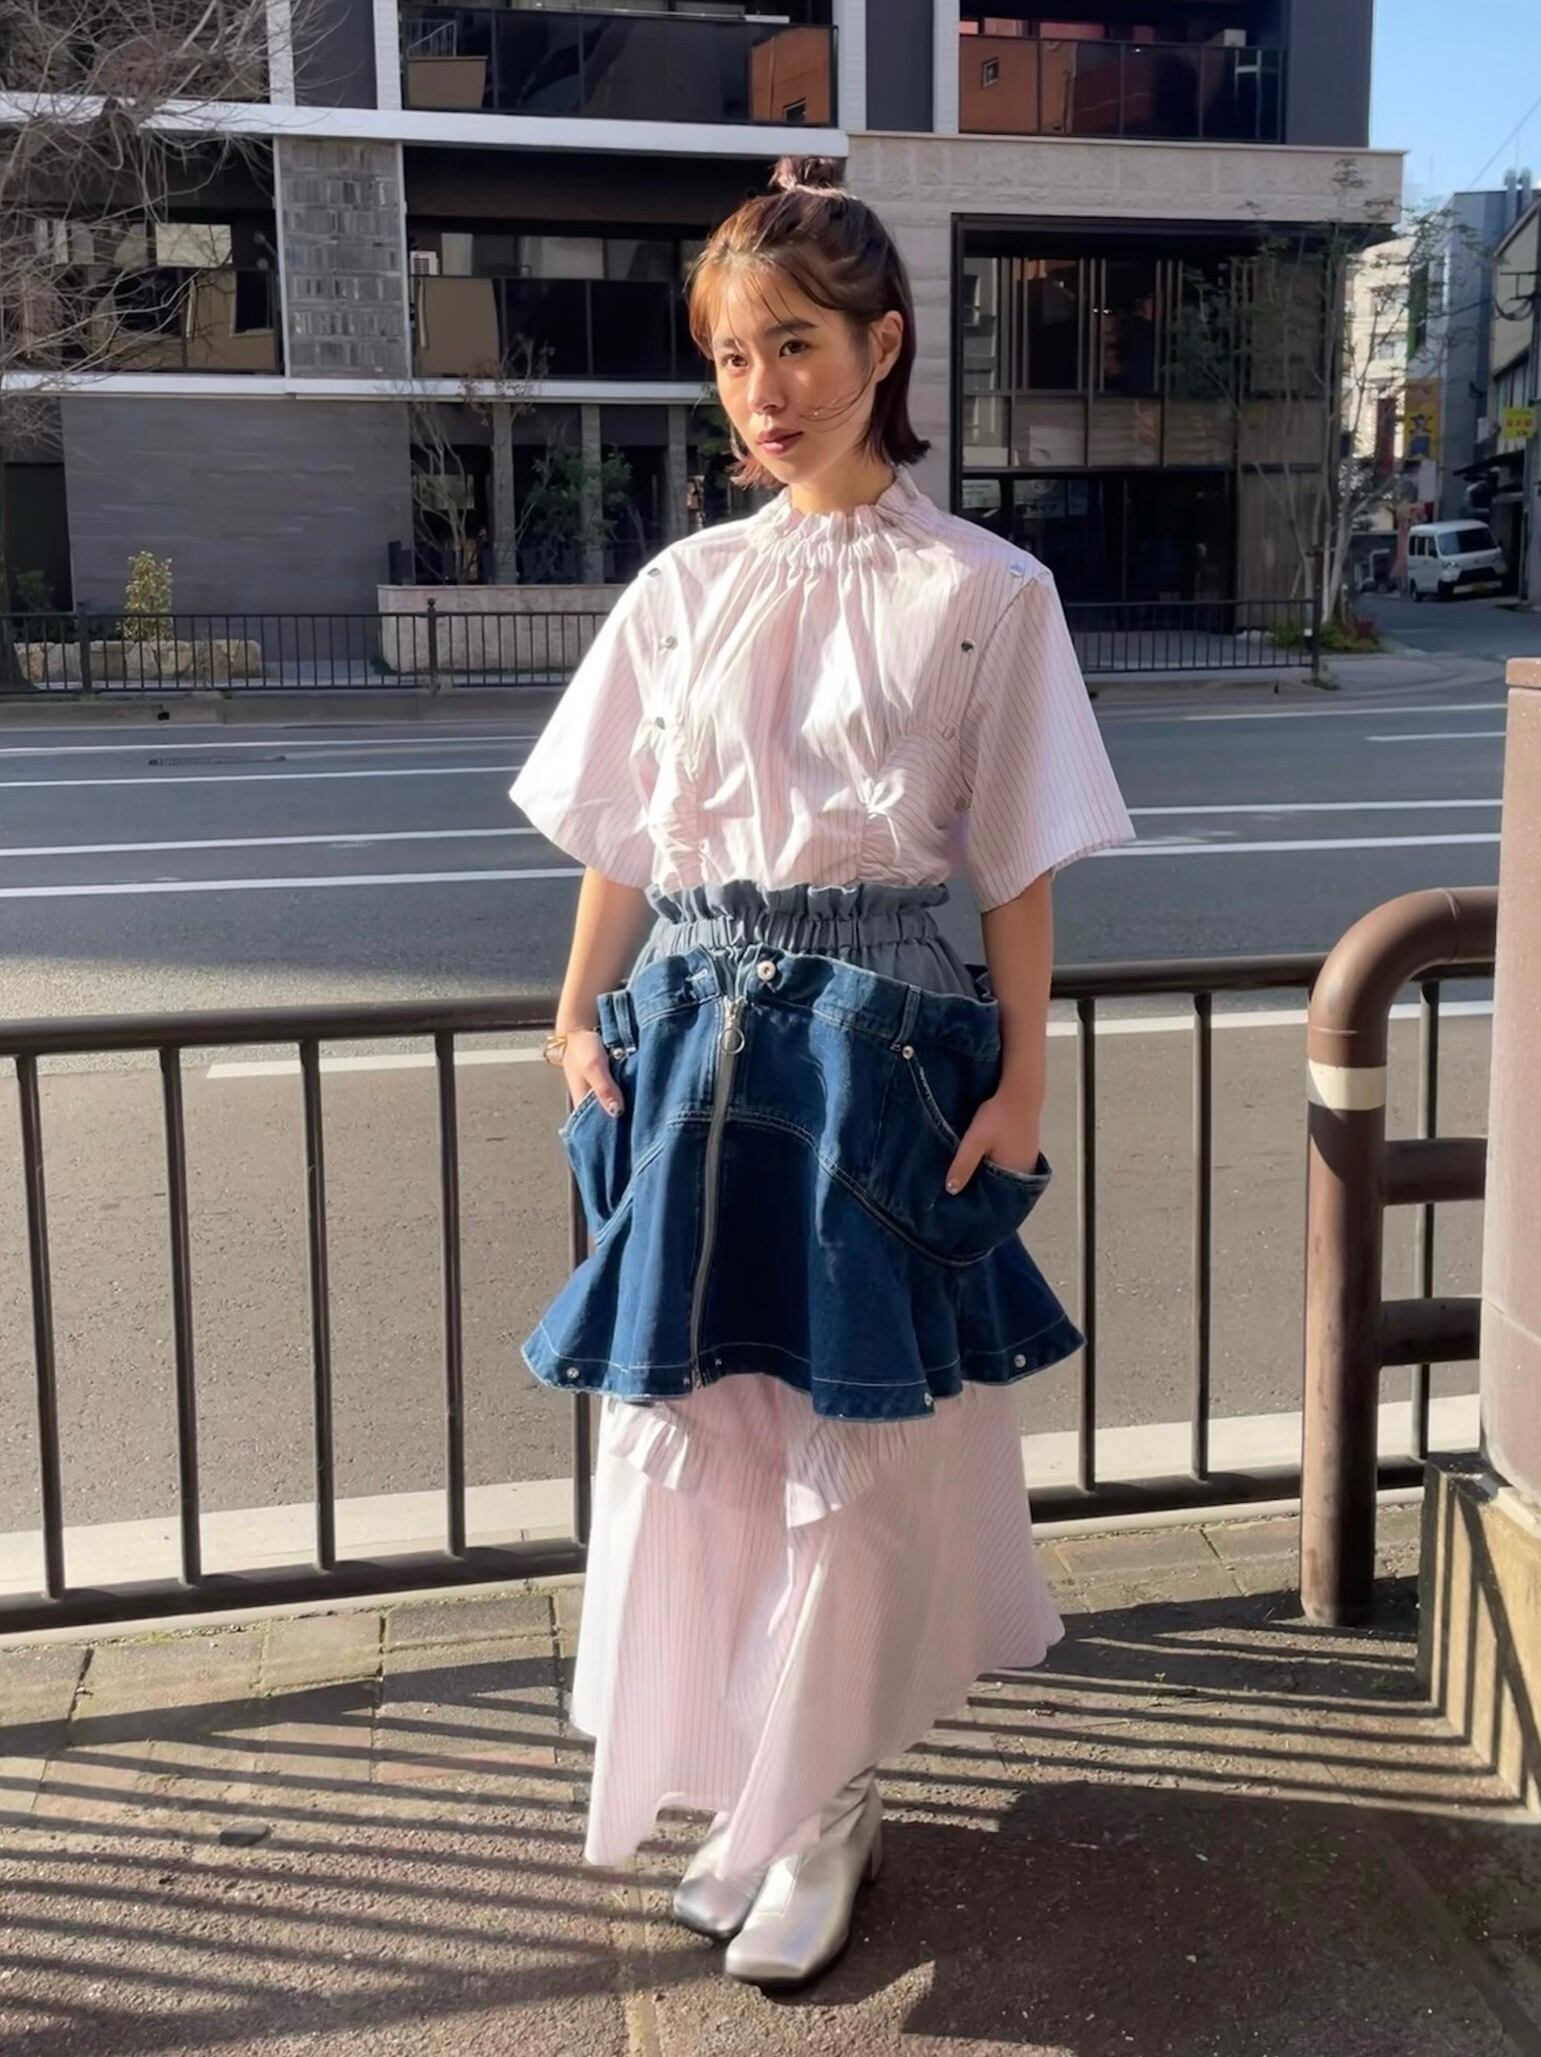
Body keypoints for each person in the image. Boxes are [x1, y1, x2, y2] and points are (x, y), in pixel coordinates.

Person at [509, 155, 1134, 1992]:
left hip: (877, 1038)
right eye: (728, 355)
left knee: (849, 1443)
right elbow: (624, 829)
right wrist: (574, 1008)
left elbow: (1012, 861)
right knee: (703, 1429)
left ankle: (828, 1799)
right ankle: (751, 1790)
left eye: (793, 343)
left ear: (884, 344)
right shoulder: (683, 586)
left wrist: (1024, 1079)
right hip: (691, 1033)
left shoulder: (985, 589)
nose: (761, 390)